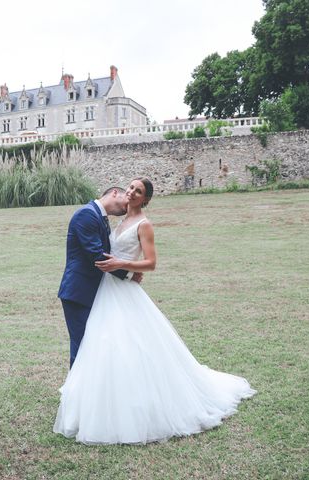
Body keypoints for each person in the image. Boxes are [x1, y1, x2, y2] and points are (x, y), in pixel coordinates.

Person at [54, 177, 256, 444]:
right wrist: (128, 273)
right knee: (95, 345)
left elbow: (150, 262)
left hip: (113, 291)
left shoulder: (142, 223)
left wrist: (129, 271)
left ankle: (97, 402)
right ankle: (85, 401)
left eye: (138, 191)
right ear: (119, 191)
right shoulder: (102, 218)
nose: (132, 193)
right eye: (130, 188)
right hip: (94, 291)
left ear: (145, 198)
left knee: (117, 345)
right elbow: (100, 255)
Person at [57, 186, 141, 368]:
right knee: (82, 345)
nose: (128, 207)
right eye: (127, 201)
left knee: (95, 344)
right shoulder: (86, 215)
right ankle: (77, 394)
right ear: (114, 193)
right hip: (79, 292)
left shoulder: (101, 218)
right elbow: (97, 256)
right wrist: (128, 273)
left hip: (95, 292)